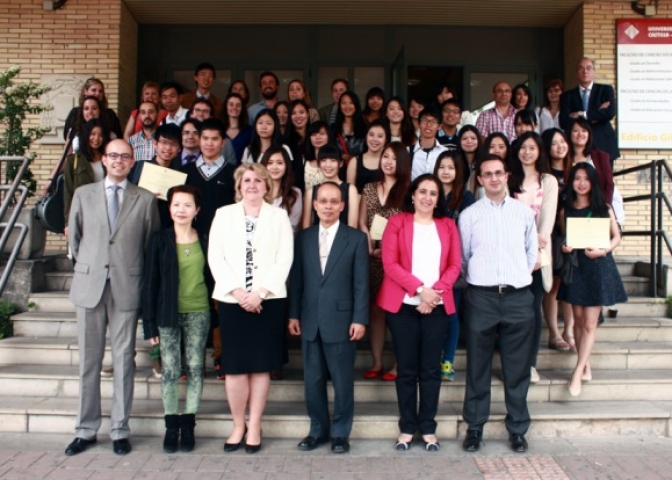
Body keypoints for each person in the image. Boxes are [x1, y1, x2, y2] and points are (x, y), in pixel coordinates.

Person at [64, 139, 160, 457]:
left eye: (125, 156)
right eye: (113, 155)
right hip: (90, 285)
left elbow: (150, 246)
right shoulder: (83, 194)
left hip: (126, 286)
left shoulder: (145, 199)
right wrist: (90, 266)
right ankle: (86, 429)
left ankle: (120, 428)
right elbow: (75, 241)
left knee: (123, 360)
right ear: (104, 160)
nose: (119, 161)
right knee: (89, 361)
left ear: (133, 162)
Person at [209, 163, 294, 454]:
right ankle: (237, 425)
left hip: (267, 302)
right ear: (239, 185)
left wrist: (259, 293)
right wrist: (238, 292)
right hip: (233, 302)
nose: (253, 184)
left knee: (260, 368)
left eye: (259, 180)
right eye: (247, 180)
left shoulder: (279, 216)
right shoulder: (223, 215)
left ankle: (255, 424)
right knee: (234, 369)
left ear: (267, 186)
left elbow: (284, 258)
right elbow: (215, 258)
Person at [459, 154, 538, 454]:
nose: (493, 178)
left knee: (516, 368)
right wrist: (482, 281)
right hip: (481, 297)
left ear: (507, 175)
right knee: (477, 366)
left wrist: (516, 277)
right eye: (487, 174)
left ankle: (517, 428)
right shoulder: (469, 215)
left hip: (518, 297)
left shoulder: (523, 213)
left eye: (498, 173)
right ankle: (475, 428)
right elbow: (465, 259)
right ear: (479, 179)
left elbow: (532, 255)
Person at [377, 173, 461, 452]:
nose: (427, 197)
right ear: (412, 195)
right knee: (407, 370)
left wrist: (432, 294)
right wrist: (419, 291)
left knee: (430, 370)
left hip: (435, 307)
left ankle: (427, 427)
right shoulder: (397, 222)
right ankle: (406, 426)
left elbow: (454, 265)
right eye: (422, 191)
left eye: (433, 193)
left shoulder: (448, 225)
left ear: (439, 199)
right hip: (403, 307)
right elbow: (390, 263)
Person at [289, 181, 369, 454]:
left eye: (334, 201)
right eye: (323, 201)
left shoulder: (356, 238)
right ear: (314, 204)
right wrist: (293, 314)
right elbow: (297, 279)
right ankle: (317, 430)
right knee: (312, 380)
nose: (328, 206)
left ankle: (340, 433)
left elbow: (361, 284)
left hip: (342, 321)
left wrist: (360, 319)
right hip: (310, 319)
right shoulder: (304, 237)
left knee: (343, 381)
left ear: (343, 206)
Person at [142, 185, 213, 453]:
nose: (181, 210)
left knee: (195, 367)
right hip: (167, 314)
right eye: (176, 204)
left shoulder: (205, 238)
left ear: (197, 210)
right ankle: (171, 426)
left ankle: (189, 424)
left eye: (187, 205)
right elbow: (150, 284)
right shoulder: (159, 240)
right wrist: (149, 324)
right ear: (169, 208)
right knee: (170, 370)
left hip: (199, 311)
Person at [559, 163, 627, 396]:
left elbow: (616, 237)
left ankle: (578, 371)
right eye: (577, 178)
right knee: (577, 321)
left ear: (593, 182)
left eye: (586, 179)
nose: (581, 183)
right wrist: (565, 247)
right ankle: (584, 362)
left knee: (589, 323)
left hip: (598, 266)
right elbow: (563, 239)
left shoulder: (603, 207)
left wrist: (603, 250)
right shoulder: (565, 209)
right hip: (577, 268)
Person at [508, 132, 558, 384]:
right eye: (523, 147)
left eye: (532, 148)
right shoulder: (509, 179)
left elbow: (546, 221)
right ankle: (513, 362)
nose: (527, 152)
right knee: (512, 311)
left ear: (539, 151)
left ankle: (530, 364)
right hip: (509, 255)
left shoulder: (548, 181)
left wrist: (536, 251)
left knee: (533, 309)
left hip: (538, 254)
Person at [359, 142, 412, 382]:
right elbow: (362, 222)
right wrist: (369, 246)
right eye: (385, 157)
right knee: (376, 312)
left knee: (398, 313)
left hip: (398, 262)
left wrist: (391, 252)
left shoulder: (408, 190)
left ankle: (399, 364)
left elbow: (411, 226)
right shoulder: (369, 188)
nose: (388, 161)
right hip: (372, 258)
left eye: (393, 158)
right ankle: (377, 361)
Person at [433, 151, 475, 381]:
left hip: (454, 265)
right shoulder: (431, 193)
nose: (446, 171)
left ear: (458, 172)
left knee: (451, 314)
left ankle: (447, 361)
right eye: (442, 167)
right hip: (430, 263)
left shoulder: (466, 198)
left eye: (451, 167)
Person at [541, 128, 575, 352]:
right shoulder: (544, 175)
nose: (560, 146)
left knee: (571, 285)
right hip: (551, 234)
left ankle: (569, 330)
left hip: (575, 234)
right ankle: (554, 332)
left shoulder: (576, 171)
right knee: (552, 285)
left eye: (563, 141)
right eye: (554, 143)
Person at [560, 57, 619, 165]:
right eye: (581, 68)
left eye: (588, 68)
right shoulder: (567, 96)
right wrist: (597, 114)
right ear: (577, 72)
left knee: (604, 180)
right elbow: (563, 121)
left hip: (603, 144)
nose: (585, 71)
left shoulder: (605, 90)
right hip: (577, 148)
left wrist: (581, 114)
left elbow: (610, 113)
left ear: (593, 71)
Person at [183, 118, 236, 236]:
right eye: (205, 138)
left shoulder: (235, 173)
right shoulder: (185, 171)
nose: (209, 144)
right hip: (190, 238)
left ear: (223, 142)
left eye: (215, 139)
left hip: (224, 237)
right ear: (199, 140)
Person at [129, 123, 182, 228]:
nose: (168, 148)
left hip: (166, 229)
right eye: (164, 142)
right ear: (155, 143)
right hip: (139, 225)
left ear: (179, 149)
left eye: (173, 144)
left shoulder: (180, 176)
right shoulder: (139, 167)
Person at [63, 119, 109, 239]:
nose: (96, 138)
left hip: (105, 211)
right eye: (93, 134)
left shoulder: (109, 159)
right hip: (83, 212)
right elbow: (68, 192)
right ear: (86, 135)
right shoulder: (74, 160)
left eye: (100, 135)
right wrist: (68, 223)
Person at [302, 144, 359, 229]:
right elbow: (306, 226)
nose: (328, 165)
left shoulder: (350, 190)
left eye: (333, 160)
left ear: (340, 163)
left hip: (344, 239)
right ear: (318, 164)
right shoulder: (311, 191)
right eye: (324, 160)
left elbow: (353, 225)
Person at [568, 117, 614, 204]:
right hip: (572, 206)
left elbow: (609, 184)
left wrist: (604, 206)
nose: (580, 134)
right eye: (575, 131)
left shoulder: (601, 157)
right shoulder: (565, 158)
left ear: (589, 134)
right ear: (569, 134)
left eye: (584, 131)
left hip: (599, 205)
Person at [64, 77, 122, 142]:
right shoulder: (75, 113)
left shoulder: (110, 114)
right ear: (85, 91)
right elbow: (68, 137)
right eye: (94, 90)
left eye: (100, 91)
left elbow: (118, 136)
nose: (97, 93)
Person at [260, 146, 303, 232]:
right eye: (270, 163)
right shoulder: (257, 191)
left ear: (286, 166)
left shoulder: (295, 193)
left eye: (279, 163)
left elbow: (292, 226)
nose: (274, 167)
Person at [346, 120, 389, 194]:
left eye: (380, 136)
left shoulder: (390, 162)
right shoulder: (355, 161)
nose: (375, 139)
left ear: (386, 139)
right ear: (366, 137)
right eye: (371, 135)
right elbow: (350, 193)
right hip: (359, 203)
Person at [410, 107, 448, 180]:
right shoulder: (408, 152)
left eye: (433, 121)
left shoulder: (445, 152)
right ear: (419, 124)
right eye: (424, 120)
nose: (428, 124)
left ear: (439, 126)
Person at [333, 91, 366, 167]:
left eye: (351, 102)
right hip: (338, 171)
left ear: (356, 105)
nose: (347, 106)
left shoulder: (365, 128)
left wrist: (354, 158)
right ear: (340, 106)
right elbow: (329, 151)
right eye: (344, 103)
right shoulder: (333, 128)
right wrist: (341, 156)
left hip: (359, 170)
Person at [220, 92, 252, 164]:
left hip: (242, 172)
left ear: (242, 108)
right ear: (226, 106)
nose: (234, 107)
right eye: (231, 104)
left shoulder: (250, 131)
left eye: (238, 105)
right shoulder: (218, 129)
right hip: (220, 172)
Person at [301, 121, 333, 191]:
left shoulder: (337, 160)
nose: (318, 137)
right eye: (314, 134)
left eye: (322, 134)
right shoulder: (303, 161)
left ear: (328, 136)